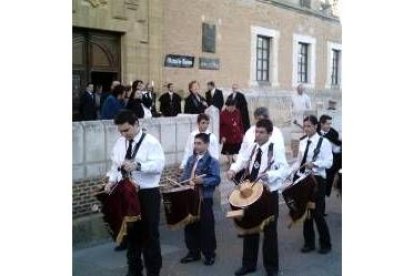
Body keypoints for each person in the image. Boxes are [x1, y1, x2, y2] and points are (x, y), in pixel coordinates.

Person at [105, 110, 165, 276]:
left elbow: (159, 165)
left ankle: (153, 272)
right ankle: (134, 271)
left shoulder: (151, 142)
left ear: (137, 124)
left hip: (147, 194)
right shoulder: (120, 142)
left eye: (126, 130)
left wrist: (139, 166)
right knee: (131, 234)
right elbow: (115, 166)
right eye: (121, 131)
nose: (124, 134)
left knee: (150, 235)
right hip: (127, 193)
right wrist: (111, 180)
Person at [227, 119, 289, 276]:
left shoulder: (275, 149)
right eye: (256, 131)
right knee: (249, 229)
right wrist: (233, 169)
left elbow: (285, 170)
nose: (258, 135)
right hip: (252, 194)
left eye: (261, 132)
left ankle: (272, 268)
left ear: (269, 134)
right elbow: (242, 160)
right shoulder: (253, 147)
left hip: (268, 194)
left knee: (270, 233)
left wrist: (270, 174)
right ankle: (248, 264)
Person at [290, 115, 333, 255]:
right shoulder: (302, 142)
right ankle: (309, 243)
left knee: (317, 213)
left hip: (317, 180)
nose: (306, 128)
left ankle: (325, 243)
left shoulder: (324, 142)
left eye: (309, 126)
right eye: (305, 126)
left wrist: (314, 164)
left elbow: (329, 162)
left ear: (316, 126)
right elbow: (298, 161)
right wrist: (291, 172)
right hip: (304, 179)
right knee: (306, 212)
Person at [179, 133, 221, 266]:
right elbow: (185, 175)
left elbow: (216, 179)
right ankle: (193, 252)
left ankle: (209, 254)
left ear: (207, 144)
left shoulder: (212, 161)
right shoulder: (191, 159)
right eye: (195, 143)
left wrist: (203, 180)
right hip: (190, 196)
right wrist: (180, 182)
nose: (196, 146)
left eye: (199, 143)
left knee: (206, 227)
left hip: (204, 197)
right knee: (190, 225)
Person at [318, 114, 342, 199]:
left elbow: (338, 145)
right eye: (327, 124)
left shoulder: (333, 132)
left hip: (337, 159)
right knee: (321, 187)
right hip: (323, 161)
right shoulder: (316, 132)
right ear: (321, 124)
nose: (329, 126)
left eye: (330, 124)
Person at [220, 99, 244, 164]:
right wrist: (222, 136)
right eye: (231, 107)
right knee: (229, 149)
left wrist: (242, 133)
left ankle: (234, 160)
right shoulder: (222, 114)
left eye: (234, 106)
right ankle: (230, 162)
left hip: (237, 135)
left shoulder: (237, 112)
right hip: (227, 135)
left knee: (236, 149)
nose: (233, 108)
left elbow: (240, 123)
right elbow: (220, 127)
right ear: (227, 106)